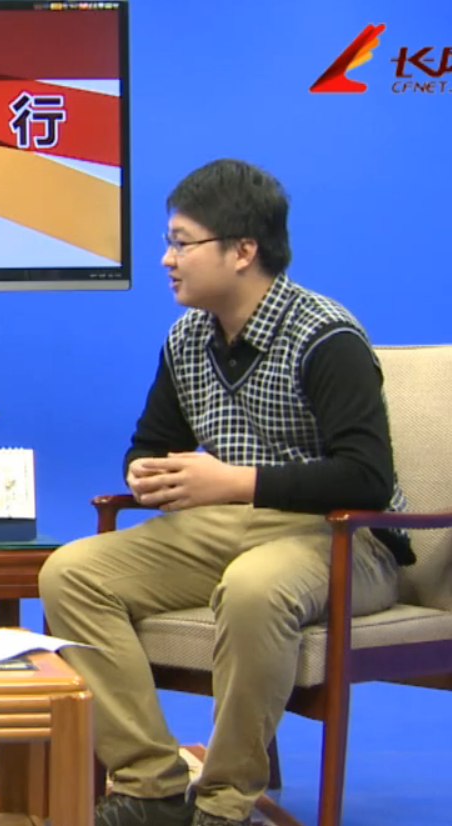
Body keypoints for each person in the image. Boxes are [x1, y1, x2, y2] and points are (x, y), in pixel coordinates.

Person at [38, 159, 410, 826]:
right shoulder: (188, 338)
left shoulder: (326, 336)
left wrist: (234, 481)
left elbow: (367, 478)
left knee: (253, 588)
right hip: (226, 528)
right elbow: (149, 443)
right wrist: (146, 473)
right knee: (71, 574)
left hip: (342, 537)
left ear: (243, 251)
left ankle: (224, 802)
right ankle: (149, 783)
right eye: (169, 242)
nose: (166, 259)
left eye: (182, 242)